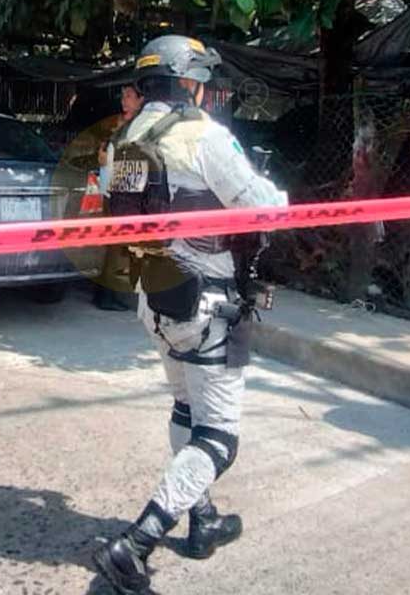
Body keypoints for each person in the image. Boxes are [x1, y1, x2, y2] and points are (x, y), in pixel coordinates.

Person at [92, 35, 286, 594]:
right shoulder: (205, 136)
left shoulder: (124, 140)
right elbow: (262, 208)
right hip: (207, 303)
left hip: (154, 300)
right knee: (219, 437)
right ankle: (136, 544)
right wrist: (279, 197)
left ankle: (203, 519)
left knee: (185, 407)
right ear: (189, 83)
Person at [92, 83, 146, 310]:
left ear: (141, 100)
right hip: (117, 193)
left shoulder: (132, 125)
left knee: (115, 247)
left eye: (129, 96)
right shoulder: (123, 126)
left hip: (116, 192)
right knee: (116, 248)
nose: (124, 100)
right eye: (123, 96)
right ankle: (106, 296)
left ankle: (106, 294)